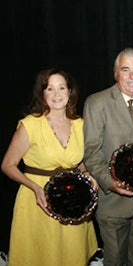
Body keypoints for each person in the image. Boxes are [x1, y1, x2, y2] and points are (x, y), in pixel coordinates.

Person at [1, 68, 98, 266]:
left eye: (61, 88)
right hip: (38, 200)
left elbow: (78, 162)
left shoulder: (80, 124)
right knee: (40, 255)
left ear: (70, 92)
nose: (56, 94)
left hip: (72, 200)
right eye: (50, 89)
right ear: (42, 93)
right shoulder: (30, 125)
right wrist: (35, 188)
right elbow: (8, 165)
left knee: (72, 254)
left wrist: (88, 174)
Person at [83, 48, 133, 266]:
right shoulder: (96, 103)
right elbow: (91, 153)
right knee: (115, 261)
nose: (131, 76)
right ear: (115, 72)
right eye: (125, 69)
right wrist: (110, 183)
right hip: (113, 201)